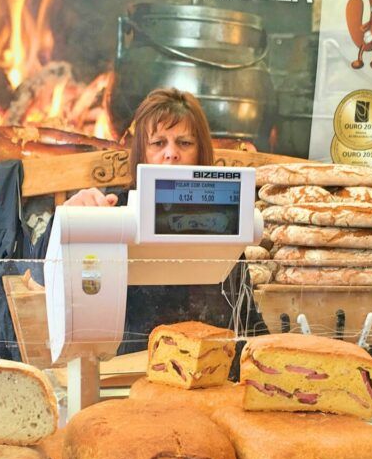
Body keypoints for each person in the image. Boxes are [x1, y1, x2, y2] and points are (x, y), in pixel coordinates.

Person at [41, 87, 263, 355]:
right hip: (127, 367)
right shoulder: (114, 209)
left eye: (184, 143)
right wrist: (68, 219)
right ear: (142, 153)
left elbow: (247, 317)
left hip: (211, 366)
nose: (171, 153)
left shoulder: (222, 218)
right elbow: (46, 271)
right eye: (158, 143)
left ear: (200, 151)